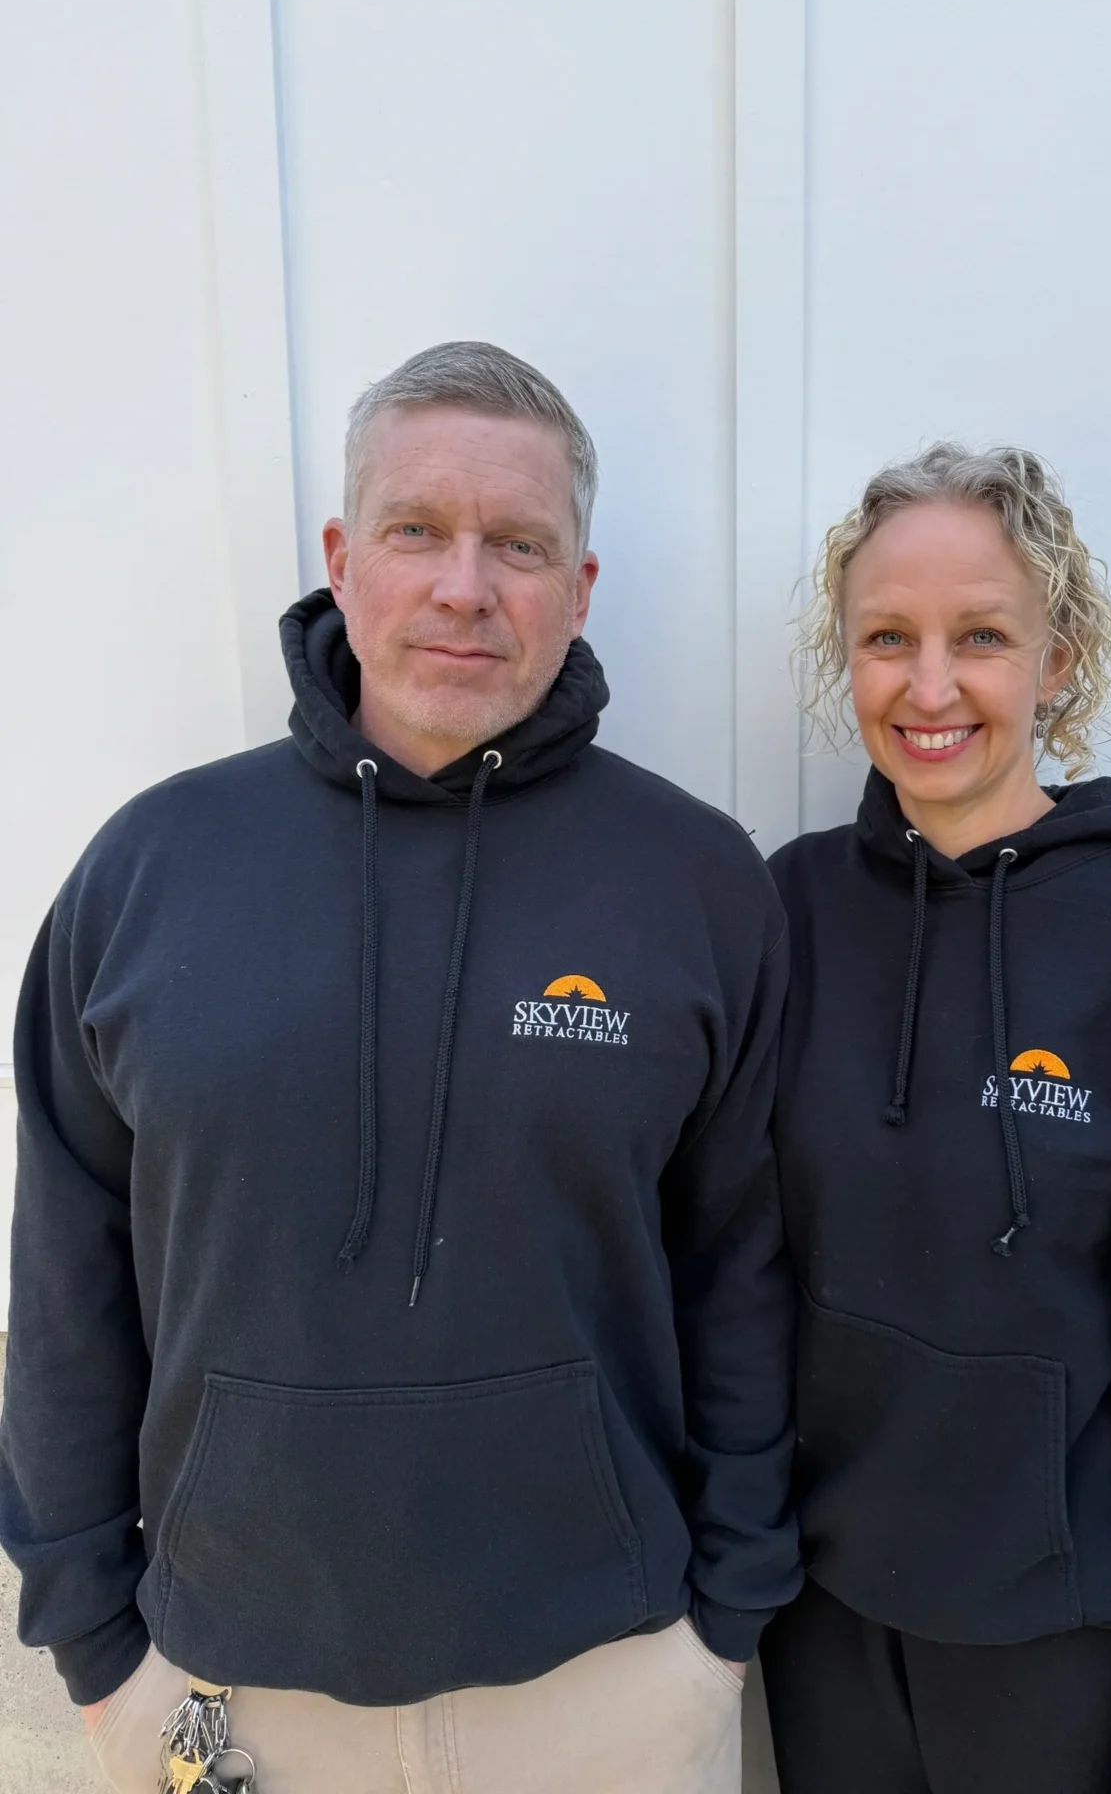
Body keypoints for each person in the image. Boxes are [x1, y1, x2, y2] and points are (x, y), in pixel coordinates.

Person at [0, 342, 799, 1794]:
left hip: (607, 1683)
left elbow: (744, 1273)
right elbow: (68, 1276)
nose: (463, 586)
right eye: (417, 530)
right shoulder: (151, 872)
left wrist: (721, 1630)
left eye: (520, 544)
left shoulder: (695, 885)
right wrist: (94, 1646)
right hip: (227, 1687)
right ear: (341, 557)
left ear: (580, 586)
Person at [760, 443, 1111, 1794]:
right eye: (886, 638)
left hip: (1076, 1660)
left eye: (983, 636)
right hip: (827, 1640)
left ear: (1061, 656)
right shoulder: (787, 915)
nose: (930, 686)